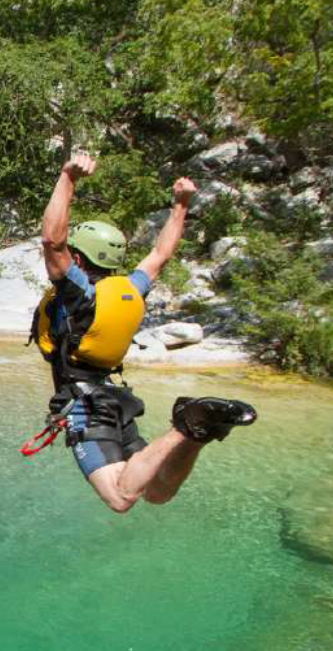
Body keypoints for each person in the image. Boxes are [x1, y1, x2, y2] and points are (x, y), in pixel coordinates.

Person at [32, 152, 257, 514]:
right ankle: (197, 431)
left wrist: (67, 177)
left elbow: (51, 240)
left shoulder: (76, 292)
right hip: (112, 398)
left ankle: (187, 424)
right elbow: (161, 253)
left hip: (85, 405)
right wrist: (180, 205)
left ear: (77, 259)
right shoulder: (129, 289)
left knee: (120, 498)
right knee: (156, 493)